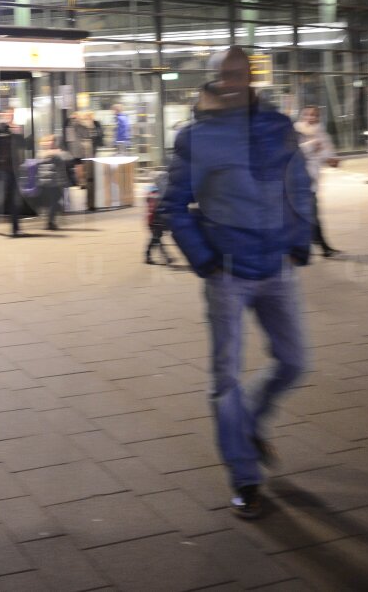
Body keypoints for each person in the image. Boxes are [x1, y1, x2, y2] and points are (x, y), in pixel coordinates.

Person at [158, 46, 312, 520]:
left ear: (251, 76)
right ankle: (244, 476)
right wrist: (206, 262)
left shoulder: (276, 126)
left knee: (294, 361)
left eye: (241, 71)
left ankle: (248, 422)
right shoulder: (195, 138)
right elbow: (173, 205)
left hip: (277, 267)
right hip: (227, 272)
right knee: (225, 378)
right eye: (225, 73)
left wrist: (300, 236)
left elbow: (300, 183)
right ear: (214, 80)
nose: (233, 79)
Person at [294, 105, 340, 258]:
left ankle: (313, 243)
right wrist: (311, 145)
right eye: (309, 115)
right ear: (303, 116)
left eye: (315, 115)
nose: (312, 118)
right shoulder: (297, 132)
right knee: (312, 215)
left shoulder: (321, 133)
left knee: (308, 215)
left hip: (312, 180)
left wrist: (332, 160)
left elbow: (326, 154)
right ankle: (324, 247)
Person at [37, 134, 71, 230]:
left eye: (51, 141)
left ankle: (50, 221)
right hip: (50, 183)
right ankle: (50, 222)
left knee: (54, 202)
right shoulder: (43, 154)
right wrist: (55, 153)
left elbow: (68, 157)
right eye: (48, 141)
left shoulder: (51, 153)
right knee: (54, 202)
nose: (50, 143)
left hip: (54, 182)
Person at [144, 171, 173, 265]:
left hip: (156, 219)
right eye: (163, 180)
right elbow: (153, 207)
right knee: (156, 238)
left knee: (156, 238)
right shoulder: (155, 192)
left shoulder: (157, 191)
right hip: (154, 219)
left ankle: (164, 256)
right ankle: (164, 256)